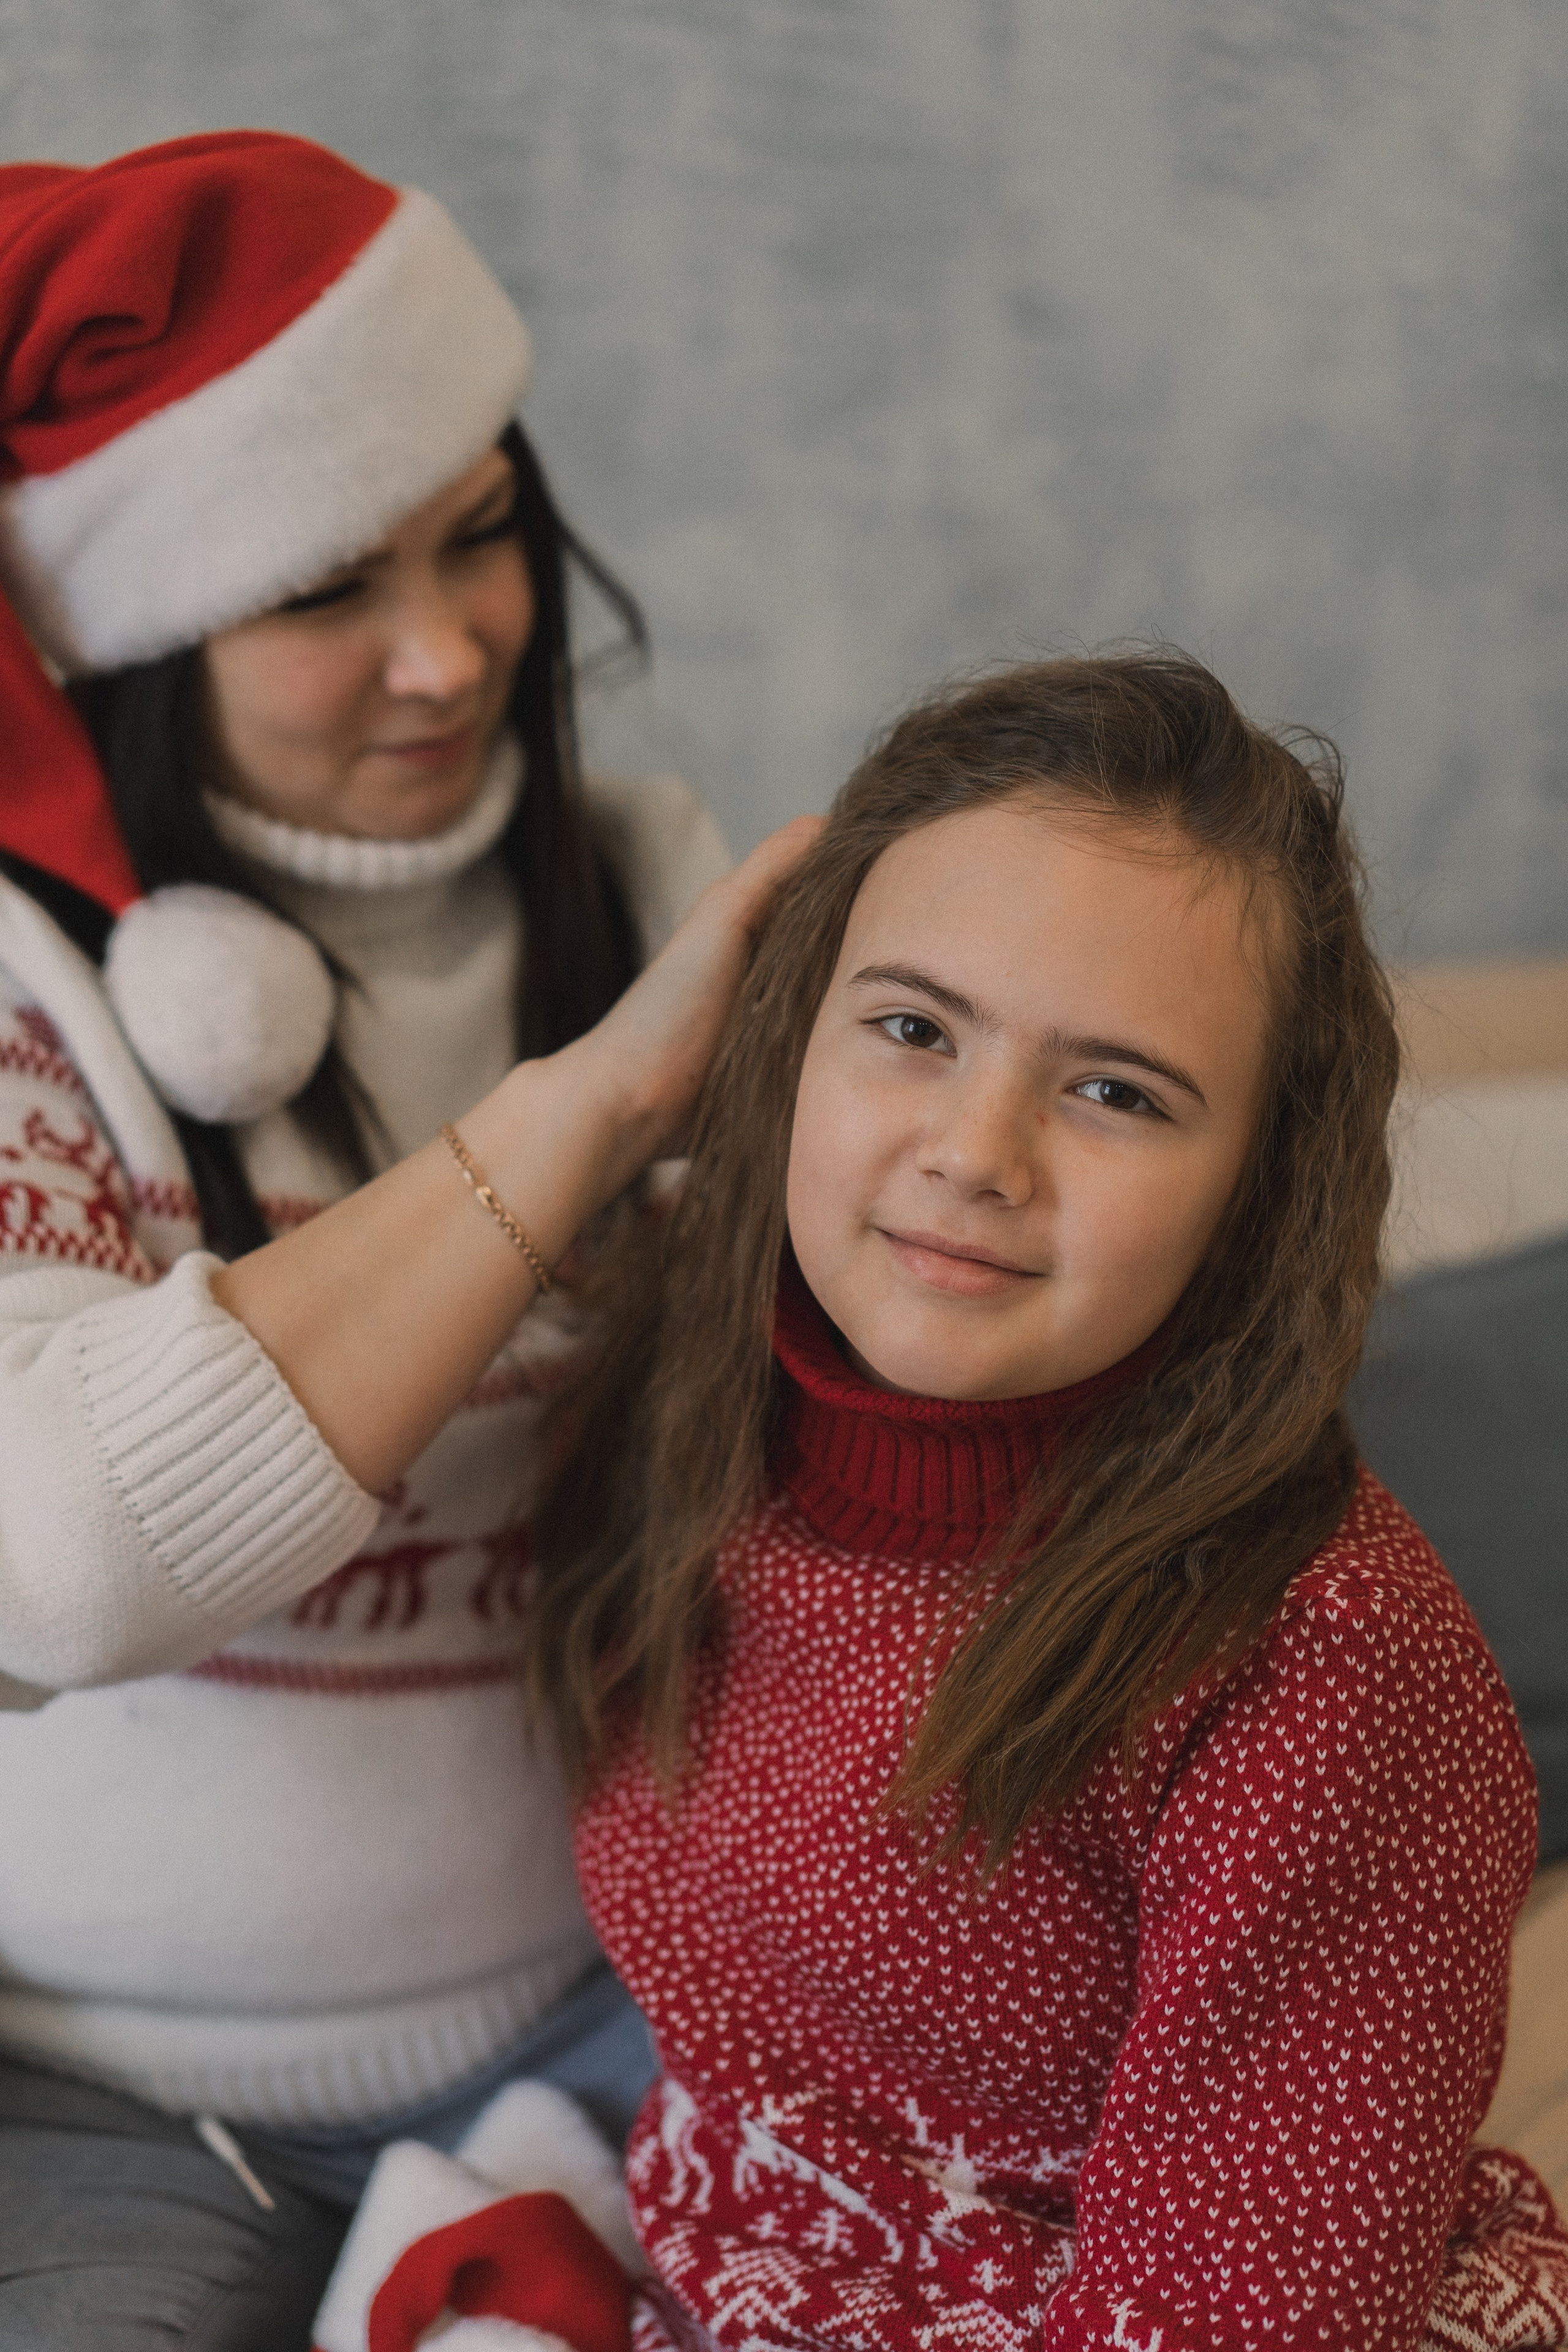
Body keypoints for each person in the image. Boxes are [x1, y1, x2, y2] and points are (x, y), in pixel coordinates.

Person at [0, 130, 814, 2348]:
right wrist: (590, 1115)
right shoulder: (31, 992)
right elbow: (47, 1554)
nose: (449, 654)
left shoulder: (647, 877)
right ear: (129, 617)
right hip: (89, 2097)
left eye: (485, 544)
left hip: (617, 2015)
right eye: (323, 587)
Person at [524, 654, 1568, 2350]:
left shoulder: (1326, 1665)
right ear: (795, 1034)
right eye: (916, 1028)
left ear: (1258, 1191)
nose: (976, 1149)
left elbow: (1240, 2318)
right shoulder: (684, 1417)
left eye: (1116, 1092)